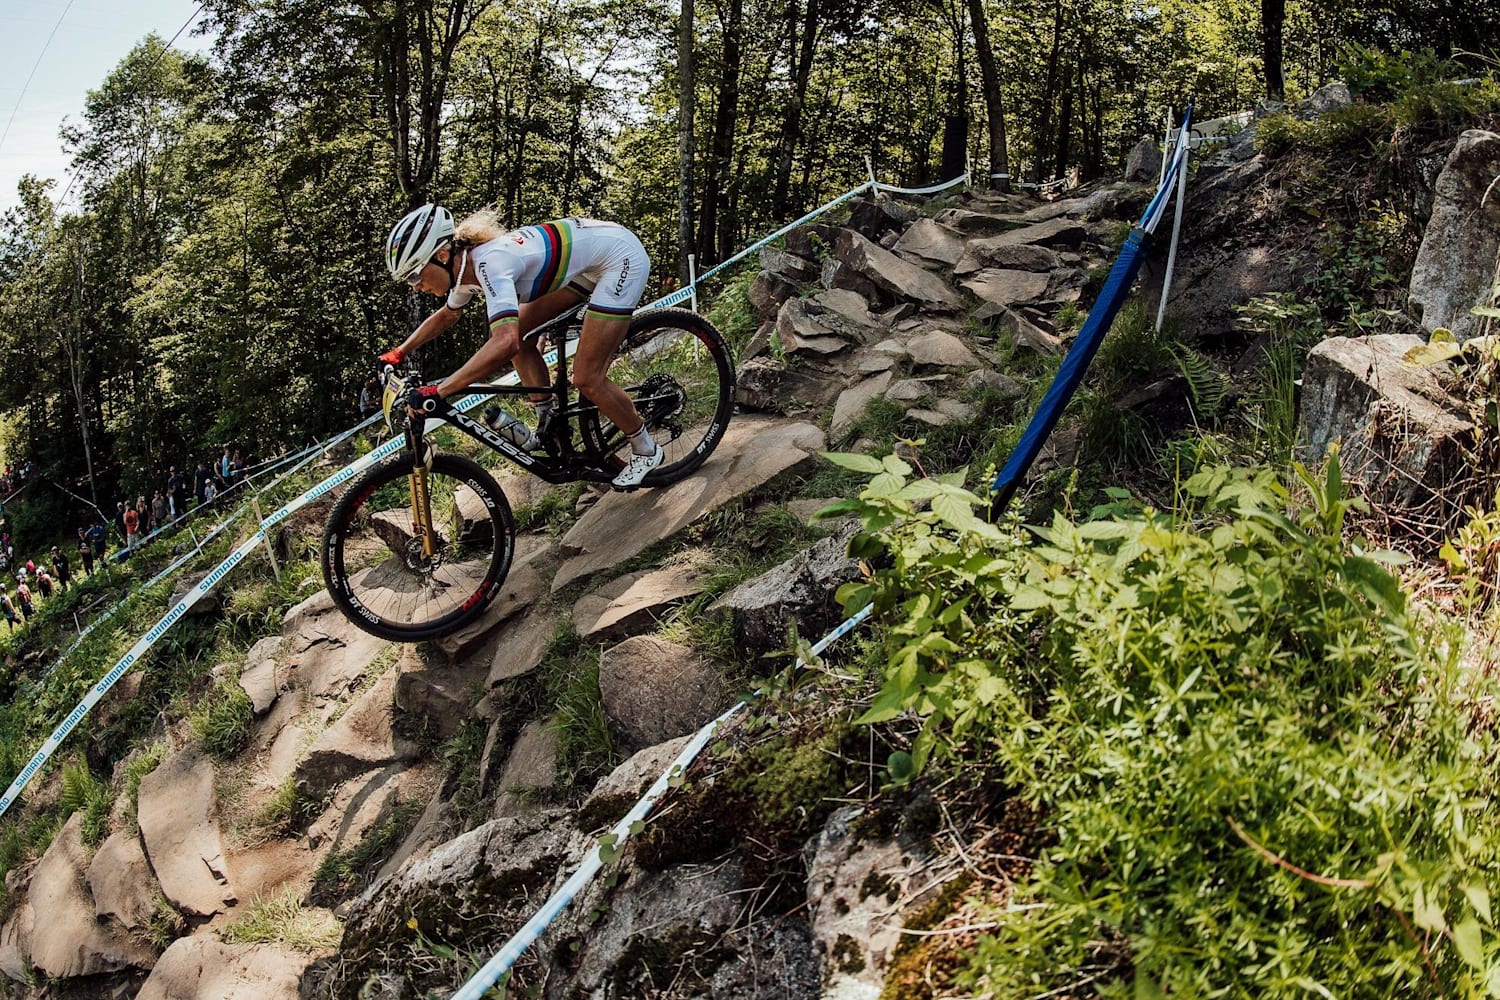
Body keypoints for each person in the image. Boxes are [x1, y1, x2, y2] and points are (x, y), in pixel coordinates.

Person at [377, 205, 663, 487]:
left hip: (619, 257)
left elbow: (504, 343)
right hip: (587, 265)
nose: (415, 286)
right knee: (524, 334)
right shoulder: (464, 271)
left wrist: (440, 391)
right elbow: (447, 315)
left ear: (441, 255)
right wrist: (399, 352)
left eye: (415, 275)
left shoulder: (491, 263)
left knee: (587, 377)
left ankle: (646, 449)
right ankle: (548, 425)